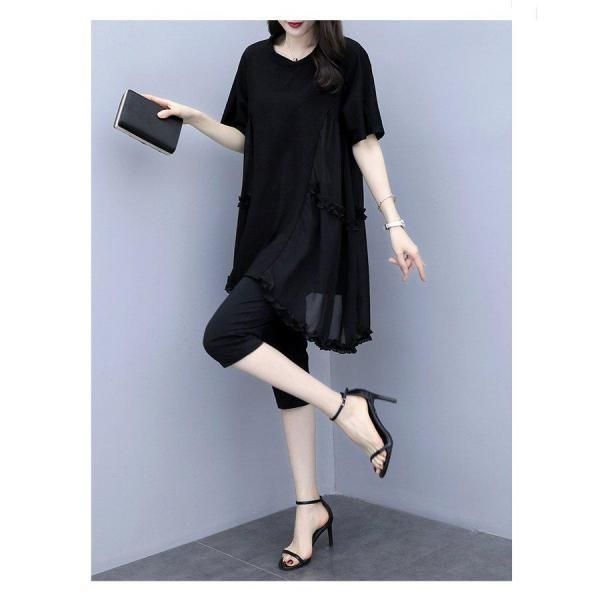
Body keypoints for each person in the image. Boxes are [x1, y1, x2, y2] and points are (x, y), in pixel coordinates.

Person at [142, 20, 426, 571]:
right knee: (286, 361)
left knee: (224, 335)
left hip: (315, 226)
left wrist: (395, 223)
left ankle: (347, 409)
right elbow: (247, 138)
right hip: (264, 224)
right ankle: (309, 507)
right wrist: (197, 119)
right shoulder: (254, 59)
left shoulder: (348, 58)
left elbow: (364, 141)